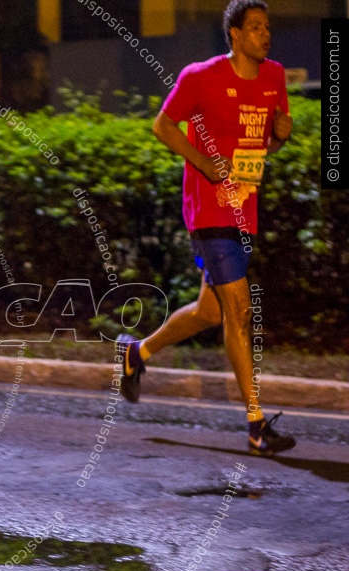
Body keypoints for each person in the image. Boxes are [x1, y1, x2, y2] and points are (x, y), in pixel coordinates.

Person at [118, 0, 295, 457]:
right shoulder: (201, 76)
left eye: (267, 27)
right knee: (238, 308)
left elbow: (268, 146)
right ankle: (256, 425)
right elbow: (163, 125)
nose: (265, 34)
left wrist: (280, 134)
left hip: (245, 210)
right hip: (209, 212)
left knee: (210, 312)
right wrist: (207, 166)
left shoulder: (275, 78)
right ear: (234, 34)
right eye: (255, 27)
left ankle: (136, 353)